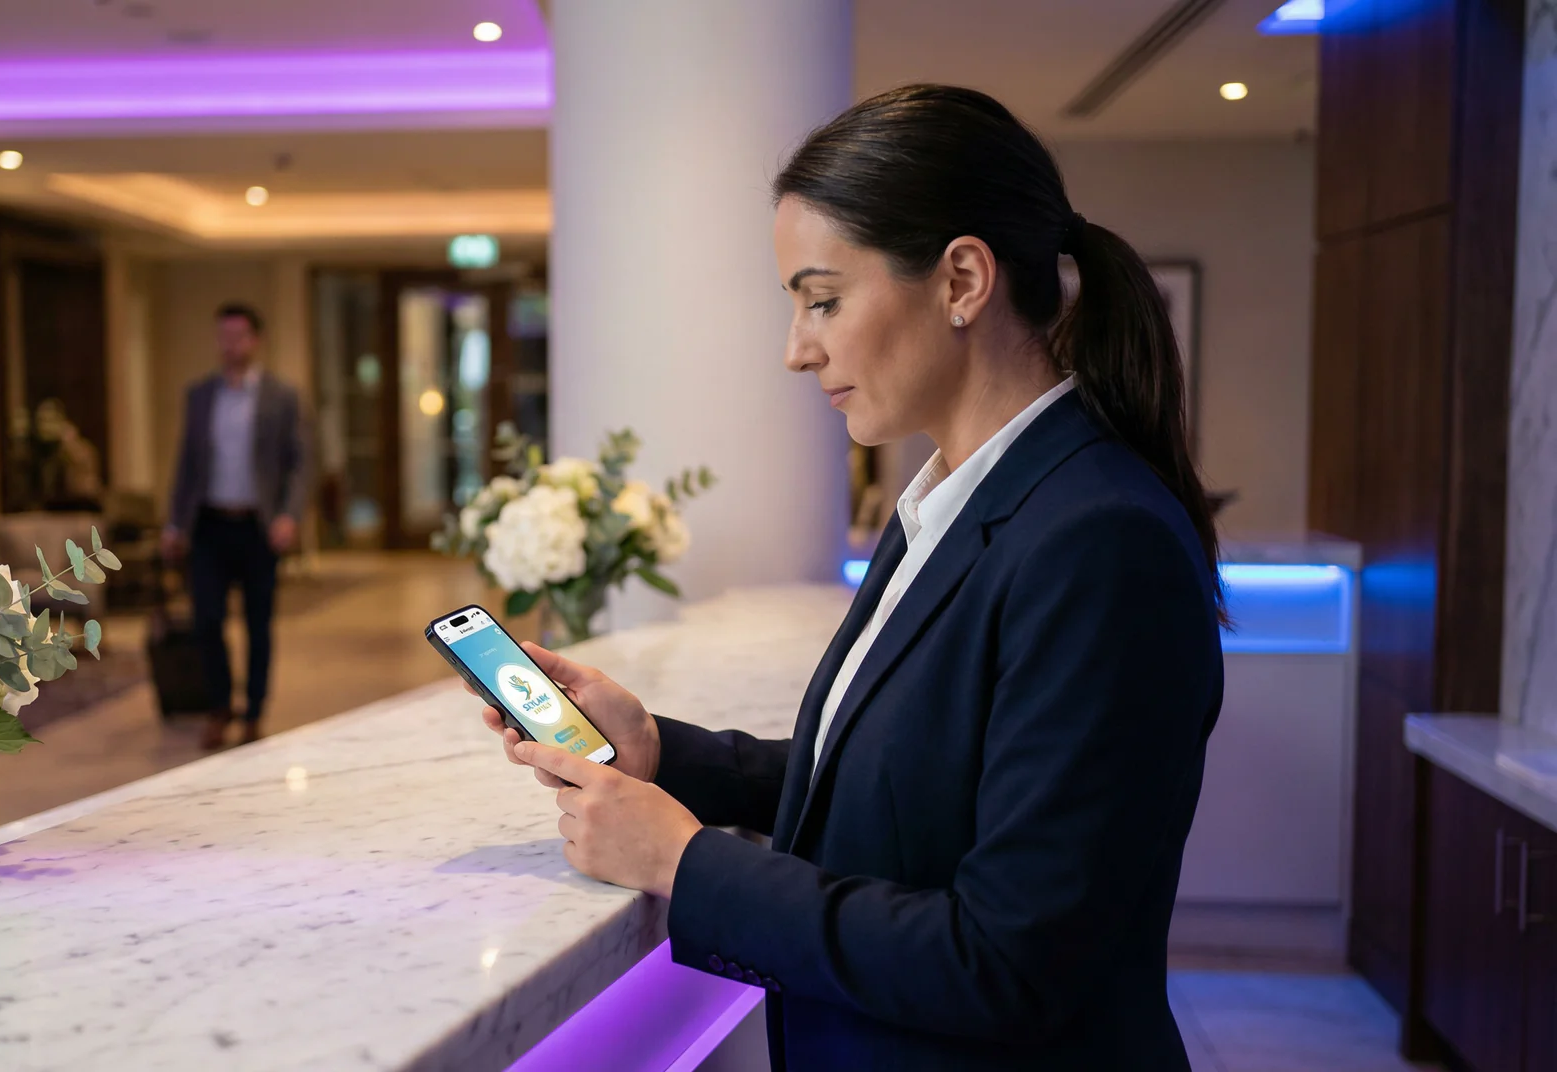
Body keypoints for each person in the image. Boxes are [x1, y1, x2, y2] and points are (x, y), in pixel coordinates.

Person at [482, 84, 1226, 1070]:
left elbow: (1009, 960)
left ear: (962, 280)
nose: (797, 350)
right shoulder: (948, 504)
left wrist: (683, 861)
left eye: (823, 299)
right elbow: (908, 784)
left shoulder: (1098, 541)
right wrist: (663, 750)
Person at [164, 303, 310, 750]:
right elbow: (186, 463)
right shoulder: (201, 394)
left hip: (257, 527)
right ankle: (219, 706)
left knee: (258, 623)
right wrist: (174, 522)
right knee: (207, 620)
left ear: (255, 340)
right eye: (223, 337)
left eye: (239, 337)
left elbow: (300, 462)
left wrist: (290, 514)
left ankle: (254, 711)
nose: (230, 346)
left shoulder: (281, 397)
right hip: (209, 524)